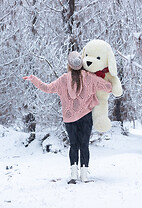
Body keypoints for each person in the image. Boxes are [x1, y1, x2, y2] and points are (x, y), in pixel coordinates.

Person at [23, 51, 112, 184]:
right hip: (86, 116)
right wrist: (106, 75)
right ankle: (84, 176)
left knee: (74, 145)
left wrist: (34, 79)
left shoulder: (63, 79)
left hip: (69, 118)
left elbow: (46, 88)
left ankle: (73, 175)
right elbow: (108, 87)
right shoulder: (89, 78)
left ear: (69, 65)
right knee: (84, 145)